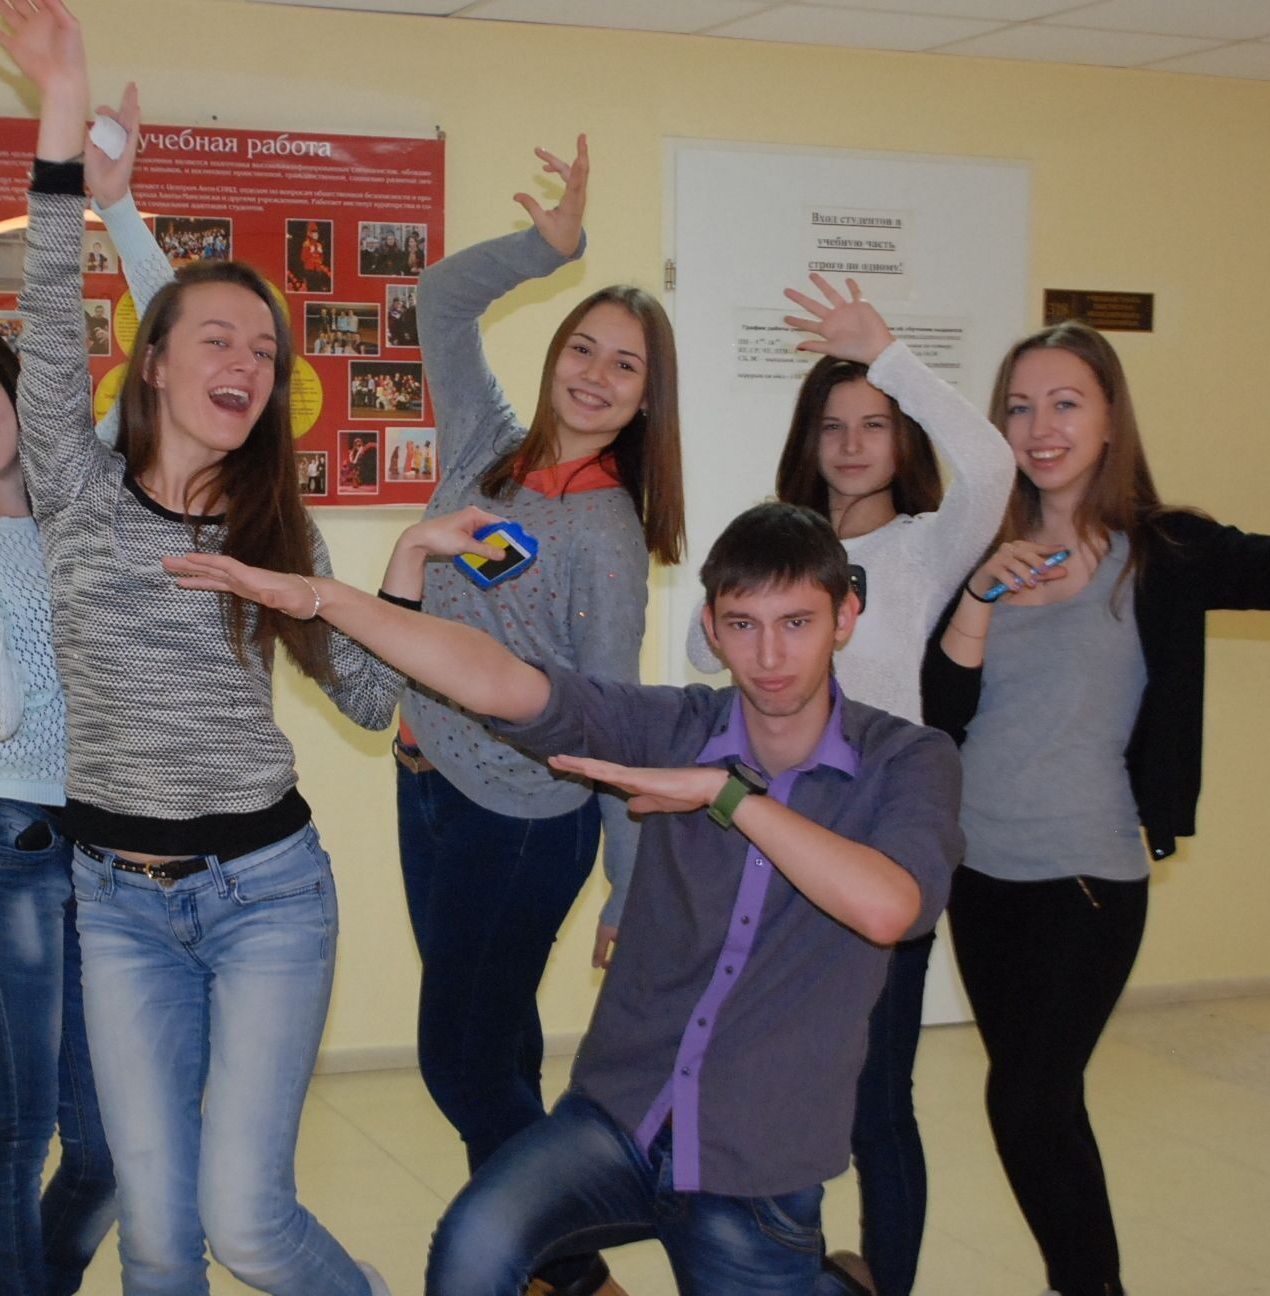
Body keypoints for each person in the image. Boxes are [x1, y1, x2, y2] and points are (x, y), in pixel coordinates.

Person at [163, 499, 963, 1296]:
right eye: (744, 624)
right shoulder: (675, 726)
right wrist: (322, 598)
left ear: (844, 617)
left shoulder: (909, 759)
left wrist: (727, 797)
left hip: (757, 1168)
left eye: (797, 622)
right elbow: (499, 682)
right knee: (472, 1245)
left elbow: (890, 908)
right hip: (619, 1121)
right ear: (713, 631)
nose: (771, 653)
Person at [0, 3, 403, 1292]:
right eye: (217, 339)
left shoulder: (279, 526)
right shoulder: (75, 483)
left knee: (247, 1223)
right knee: (158, 1239)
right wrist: (64, 115)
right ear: (153, 364)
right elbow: (50, 306)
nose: (247, 363)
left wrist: (381, 588)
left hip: (267, 894)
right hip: (117, 904)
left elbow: (372, 704)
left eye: (266, 353)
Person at [386, 132, 684, 1295]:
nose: (597, 375)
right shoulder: (486, 445)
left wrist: (628, 882)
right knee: (500, 1046)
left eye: (627, 366)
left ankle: (581, 1266)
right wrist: (545, 247)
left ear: (648, 399)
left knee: (459, 1065)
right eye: (585, 348)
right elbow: (437, 298)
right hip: (426, 788)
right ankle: (538, 1271)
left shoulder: (607, 536)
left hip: (519, 824)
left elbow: (612, 723)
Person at [922, 320, 1270, 1296]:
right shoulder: (980, 547)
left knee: (1027, 1101)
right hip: (977, 875)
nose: (1040, 428)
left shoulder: (1164, 552)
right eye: (1019, 407)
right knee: (1042, 1104)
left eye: (1065, 403)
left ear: (1111, 419)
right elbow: (941, 715)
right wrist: (977, 599)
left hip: (1086, 878)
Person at [685, 275, 1014, 1294]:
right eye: (833, 425)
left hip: (880, 850)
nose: (854, 443)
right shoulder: (776, 547)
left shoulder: (924, 545)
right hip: (773, 848)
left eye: (875, 422)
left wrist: (891, 354)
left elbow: (994, 466)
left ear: (902, 434)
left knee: (878, 1104)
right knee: (781, 1090)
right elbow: (698, 658)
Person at [0, 107, 172, 1287]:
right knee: (13, 1137)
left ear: (16, 382)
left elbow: (179, 339)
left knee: (107, 1151)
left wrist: (117, 200)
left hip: (100, 847)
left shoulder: (95, 472)